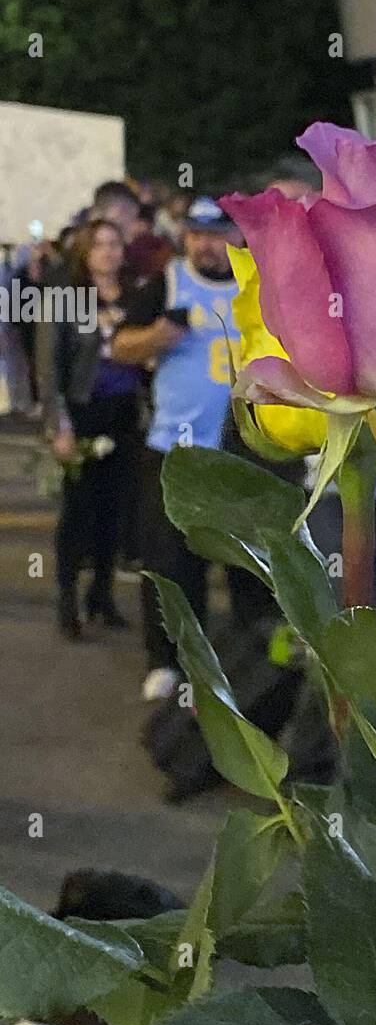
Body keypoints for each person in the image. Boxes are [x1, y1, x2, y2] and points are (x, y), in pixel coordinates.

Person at [112, 196, 241, 701]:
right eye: (195, 234)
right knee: (170, 563)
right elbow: (120, 345)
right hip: (176, 451)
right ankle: (166, 661)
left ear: (238, 235)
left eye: (216, 233)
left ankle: (246, 659)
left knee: (247, 566)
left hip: (244, 454)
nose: (204, 244)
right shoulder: (166, 283)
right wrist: (157, 336)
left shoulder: (260, 286)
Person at [36, 220, 146, 639]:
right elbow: (49, 369)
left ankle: (102, 593)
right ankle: (67, 596)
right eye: (98, 245)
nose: (107, 252)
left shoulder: (135, 297)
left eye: (115, 244)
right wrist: (58, 425)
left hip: (125, 412)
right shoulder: (65, 299)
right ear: (84, 252)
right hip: (84, 410)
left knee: (115, 510)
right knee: (78, 509)